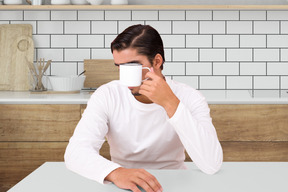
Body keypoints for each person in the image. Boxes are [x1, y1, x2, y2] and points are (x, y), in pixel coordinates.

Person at [64, 24, 223, 192]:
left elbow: (211, 164)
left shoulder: (189, 97)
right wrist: (116, 172)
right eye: (119, 67)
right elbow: (76, 152)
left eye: (132, 66)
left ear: (156, 61)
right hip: (123, 185)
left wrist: (171, 103)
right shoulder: (107, 95)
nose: (124, 77)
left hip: (175, 182)